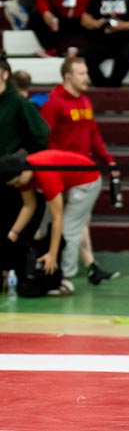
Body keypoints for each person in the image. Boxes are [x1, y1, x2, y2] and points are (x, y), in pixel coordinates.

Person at [40, 56, 119, 285]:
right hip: (60, 175)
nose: (87, 77)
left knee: (80, 222)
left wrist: (107, 159)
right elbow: (43, 138)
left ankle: (90, 267)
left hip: (82, 174)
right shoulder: (54, 103)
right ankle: (62, 273)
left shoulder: (85, 101)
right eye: (82, 73)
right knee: (65, 223)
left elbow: (93, 135)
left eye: (86, 72)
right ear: (67, 76)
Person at [3, 149, 102, 296]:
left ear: (23, 173)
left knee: (68, 230)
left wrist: (52, 255)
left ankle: (66, 280)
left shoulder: (46, 175)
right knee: (41, 230)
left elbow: (58, 217)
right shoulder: (23, 175)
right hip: (67, 182)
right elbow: (29, 205)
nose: (17, 186)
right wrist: (14, 231)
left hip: (87, 180)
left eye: (17, 182)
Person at [0, 56, 50, 285]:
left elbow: (41, 135)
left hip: (13, 180)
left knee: (12, 229)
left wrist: (29, 165)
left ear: (4, 74)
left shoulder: (17, 103)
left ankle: (15, 276)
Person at [28, 0, 104, 56]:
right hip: (60, 18)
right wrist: (46, 12)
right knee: (36, 14)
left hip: (85, 18)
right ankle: (52, 48)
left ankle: (65, 50)